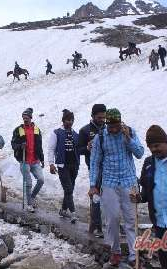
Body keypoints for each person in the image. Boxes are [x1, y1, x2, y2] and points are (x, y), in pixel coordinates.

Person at [89, 108, 144, 267]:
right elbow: (95, 162)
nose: (113, 129)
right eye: (110, 126)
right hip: (109, 183)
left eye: (116, 126)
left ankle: (134, 255)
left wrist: (128, 138)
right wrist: (93, 185)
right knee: (112, 218)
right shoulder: (100, 137)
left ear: (120, 123)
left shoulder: (130, 132)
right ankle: (115, 251)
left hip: (129, 182)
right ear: (106, 124)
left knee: (131, 220)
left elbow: (140, 153)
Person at [131, 125, 167, 269]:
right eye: (150, 147)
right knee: (166, 262)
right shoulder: (148, 163)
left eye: (157, 145)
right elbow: (147, 192)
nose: (154, 149)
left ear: (165, 142)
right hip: (160, 223)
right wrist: (139, 197)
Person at [78, 104, 106, 236]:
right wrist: (87, 148)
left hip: (109, 168)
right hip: (94, 168)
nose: (102, 120)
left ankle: (111, 225)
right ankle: (97, 227)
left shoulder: (108, 129)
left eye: (104, 117)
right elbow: (78, 150)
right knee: (95, 196)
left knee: (111, 197)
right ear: (93, 116)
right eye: (99, 117)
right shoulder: (84, 130)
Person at [48, 109, 80, 224]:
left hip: (74, 165)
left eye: (71, 120)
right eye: (67, 120)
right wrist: (51, 164)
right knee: (68, 188)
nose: (70, 122)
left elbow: (79, 148)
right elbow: (51, 149)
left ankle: (62, 210)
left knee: (69, 189)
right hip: (63, 165)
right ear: (63, 120)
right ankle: (73, 213)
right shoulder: (56, 133)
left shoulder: (75, 134)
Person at [11, 108, 44, 213]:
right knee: (28, 183)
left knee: (41, 180)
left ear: (31, 118)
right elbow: (13, 144)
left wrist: (42, 159)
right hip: (24, 160)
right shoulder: (18, 130)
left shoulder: (37, 130)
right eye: (23, 118)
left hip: (35, 160)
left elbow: (40, 146)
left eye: (27, 118)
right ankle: (29, 204)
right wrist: (21, 146)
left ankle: (32, 197)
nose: (25, 119)